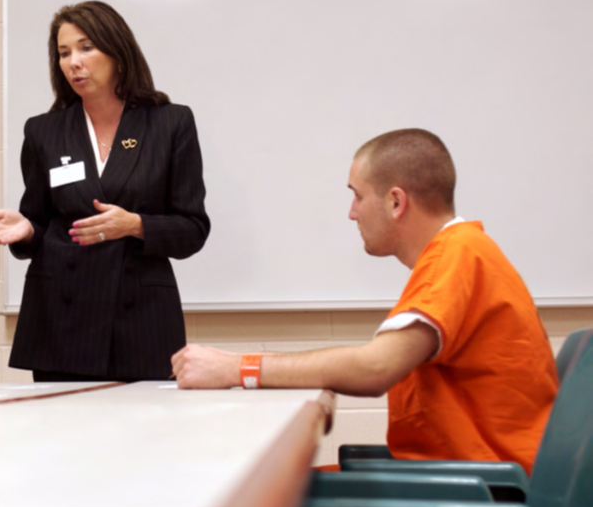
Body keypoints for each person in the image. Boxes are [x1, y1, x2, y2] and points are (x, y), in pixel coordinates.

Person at [172, 128, 558, 473]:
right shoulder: (461, 252)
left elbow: (376, 368)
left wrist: (237, 367)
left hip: (481, 489)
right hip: (464, 476)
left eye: (357, 196)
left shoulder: (456, 255)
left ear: (395, 202)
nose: (351, 213)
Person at [0, 1, 210, 381]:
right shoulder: (44, 131)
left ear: (118, 51)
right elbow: (38, 220)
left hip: (139, 317)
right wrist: (27, 229)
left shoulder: (170, 123)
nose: (73, 62)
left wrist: (135, 224)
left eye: (86, 47)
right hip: (61, 315)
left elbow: (193, 228)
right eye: (63, 52)